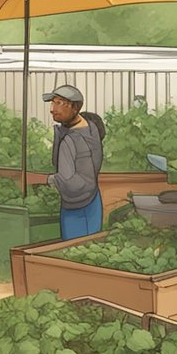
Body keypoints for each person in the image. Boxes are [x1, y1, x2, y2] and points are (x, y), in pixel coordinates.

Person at [43, 85, 106, 239]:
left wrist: (47, 180)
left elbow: (68, 181)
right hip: (93, 199)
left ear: (76, 108)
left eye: (60, 103)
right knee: (91, 249)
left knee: (72, 251)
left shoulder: (70, 141)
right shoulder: (91, 126)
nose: (52, 109)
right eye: (53, 103)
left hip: (75, 207)